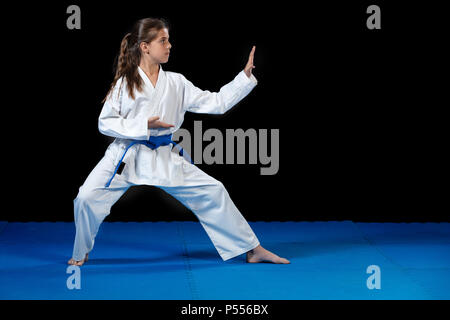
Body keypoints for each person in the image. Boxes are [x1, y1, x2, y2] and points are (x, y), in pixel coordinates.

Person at [68, 17, 290, 266]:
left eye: (168, 40)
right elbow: (104, 122)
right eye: (163, 40)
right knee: (86, 198)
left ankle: (253, 249)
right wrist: (143, 126)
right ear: (145, 47)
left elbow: (216, 103)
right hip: (125, 155)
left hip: (162, 155)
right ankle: (81, 252)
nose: (169, 45)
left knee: (213, 190)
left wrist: (244, 78)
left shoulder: (177, 82)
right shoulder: (125, 83)